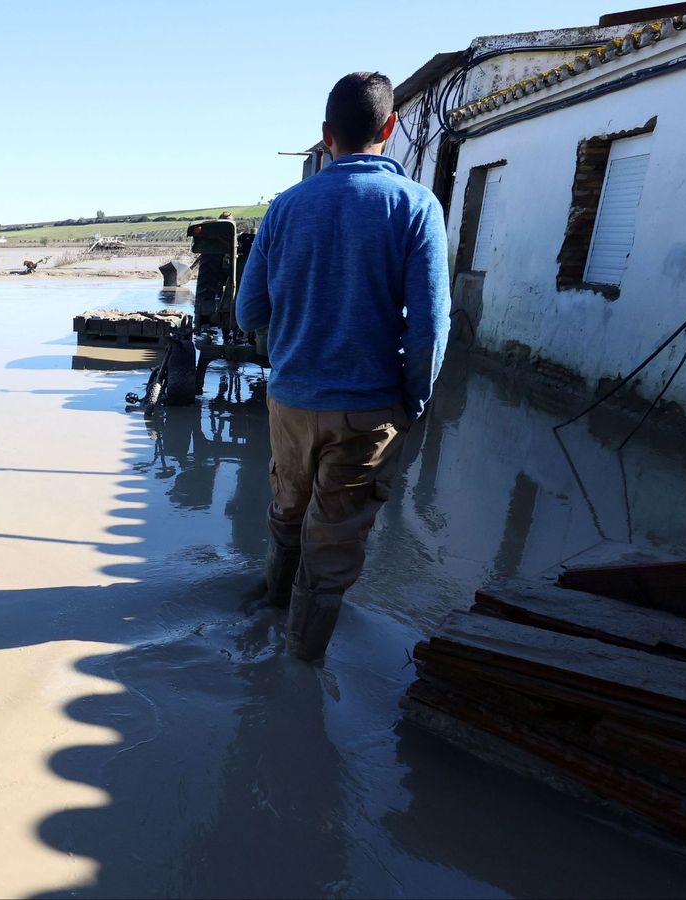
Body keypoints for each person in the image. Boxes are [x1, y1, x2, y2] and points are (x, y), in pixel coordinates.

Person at [235, 71, 450, 662]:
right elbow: (431, 329)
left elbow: (249, 308)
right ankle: (298, 674)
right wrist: (414, 400)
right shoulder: (416, 207)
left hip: (292, 403)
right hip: (368, 407)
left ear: (326, 136)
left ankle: (270, 613)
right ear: (391, 127)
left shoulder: (285, 209)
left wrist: (296, 339)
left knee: (288, 510)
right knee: (332, 544)